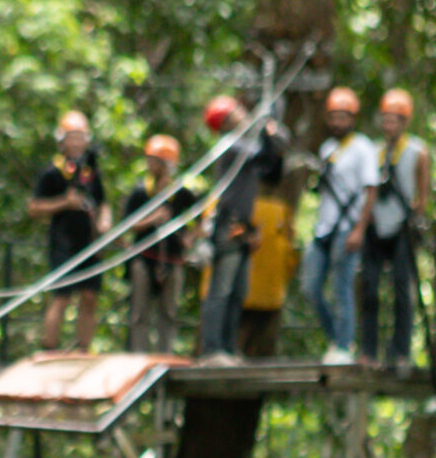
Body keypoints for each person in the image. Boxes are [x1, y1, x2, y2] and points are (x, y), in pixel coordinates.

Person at [196, 95, 286, 362]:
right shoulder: (231, 147)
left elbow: (271, 171)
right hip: (229, 224)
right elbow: (264, 155)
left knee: (238, 291)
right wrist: (269, 131)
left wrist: (274, 138)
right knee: (221, 289)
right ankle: (212, 349)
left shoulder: (244, 146)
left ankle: (227, 347)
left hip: (244, 226)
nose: (242, 114)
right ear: (225, 122)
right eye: (235, 112)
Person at [357, 89, 433, 368]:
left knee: (402, 288)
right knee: (370, 288)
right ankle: (368, 351)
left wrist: (414, 216)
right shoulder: (373, 151)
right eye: (386, 119)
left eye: (395, 120)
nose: (389, 125)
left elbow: (422, 193)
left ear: (404, 122)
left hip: (402, 226)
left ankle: (401, 352)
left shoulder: (417, 151)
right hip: (375, 227)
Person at [298, 87, 374, 364]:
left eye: (344, 117)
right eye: (334, 117)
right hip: (323, 228)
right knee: (310, 287)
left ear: (353, 118)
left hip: (348, 227)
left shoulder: (363, 148)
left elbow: (370, 190)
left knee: (341, 287)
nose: (338, 123)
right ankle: (336, 338)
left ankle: (343, 346)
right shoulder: (328, 149)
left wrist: (359, 230)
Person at [28, 110, 108, 351]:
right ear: (61, 140)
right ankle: (49, 348)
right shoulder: (52, 172)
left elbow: (103, 202)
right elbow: (34, 207)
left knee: (89, 296)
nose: (76, 142)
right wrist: (65, 202)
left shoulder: (91, 172)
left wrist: (104, 221)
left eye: (80, 137)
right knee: (61, 296)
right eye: (71, 137)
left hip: (90, 243)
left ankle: (84, 348)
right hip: (63, 242)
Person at [120, 134, 190, 353]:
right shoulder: (141, 193)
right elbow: (128, 225)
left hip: (173, 258)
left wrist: (191, 237)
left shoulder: (182, 194)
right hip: (144, 257)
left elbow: (201, 219)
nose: (150, 165)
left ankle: (164, 354)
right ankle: (139, 355)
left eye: (155, 160)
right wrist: (153, 218)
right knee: (139, 311)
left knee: (169, 310)